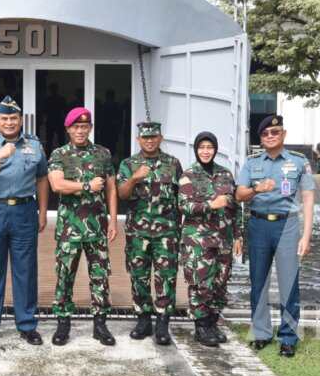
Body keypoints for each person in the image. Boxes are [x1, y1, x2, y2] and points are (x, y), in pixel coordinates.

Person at [0, 96, 49, 346]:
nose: (10, 122)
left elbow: (42, 178)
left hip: (25, 211)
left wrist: (43, 212)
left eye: (14, 118)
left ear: (20, 120)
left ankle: (26, 324)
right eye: (4, 118)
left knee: (25, 270)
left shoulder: (34, 145)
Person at [235, 115, 314, 358]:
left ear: (284, 134)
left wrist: (306, 236)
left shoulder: (299, 162)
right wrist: (257, 188)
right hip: (258, 225)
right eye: (266, 133)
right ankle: (261, 332)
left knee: (289, 283)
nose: (270, 136)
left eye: (275, 132)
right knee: (258, 281)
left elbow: (309, 198)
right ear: (260, 138)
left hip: (287, 226)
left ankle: (288, 337)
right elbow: (239, 194)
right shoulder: (251, 163)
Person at [47, 107, 118, 346]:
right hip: (70, 228)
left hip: (97, 227)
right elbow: (57, 185)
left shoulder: (103, 154)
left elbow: (110, 188)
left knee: (100, 276)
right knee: (65, 275)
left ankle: (100, 323)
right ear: (68, 129)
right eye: (76, 127)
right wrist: (87, 186)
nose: (80, 130)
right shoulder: (59, 154)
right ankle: (63, 323)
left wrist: (114, 220)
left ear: (90, 128)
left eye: (84, 126)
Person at [117, 121, 182, 345]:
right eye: (145, 138)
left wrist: (179, 231)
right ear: (139, 140)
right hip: (138, 232)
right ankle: (143, 318)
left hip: (167, 232)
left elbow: (180, 198)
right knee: (139, 276)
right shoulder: (128, 163)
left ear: (160, 138)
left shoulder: (173, 164)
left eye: (154, 137)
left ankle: (163, 322)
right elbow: (122, 194)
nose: (150, 141)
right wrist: (135, 177)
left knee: (166, 277)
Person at [178, 131, 242, 347]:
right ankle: (201, 326)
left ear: (215, 150)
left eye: (210, 147)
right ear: (196, 150)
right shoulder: (188, 175)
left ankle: (212, 322)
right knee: (201, 284)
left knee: (220, 283)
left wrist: (238, 235)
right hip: (198, 241)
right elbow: (184, 206)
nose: (206, 151)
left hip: (223, 239)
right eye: (202, 147)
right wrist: (209, 205)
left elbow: (236, 207)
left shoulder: (225, 175)